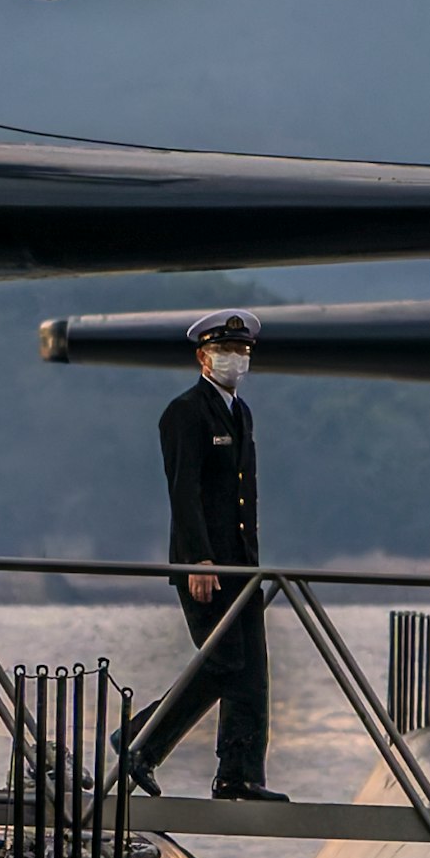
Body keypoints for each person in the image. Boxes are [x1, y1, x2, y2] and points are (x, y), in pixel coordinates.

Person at [155, 312, 269, 793]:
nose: (236, 360)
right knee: (222, 663)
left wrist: (251, 561)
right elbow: (184, 492)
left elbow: (244, 493)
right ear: (203, 356)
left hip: (241, 563)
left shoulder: (239, 413)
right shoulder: (185, 411)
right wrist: (197, 561)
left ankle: (239, 774)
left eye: (243, 352)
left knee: (251, 673)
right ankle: (140, 743)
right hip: (206, 565)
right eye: (226, 351)